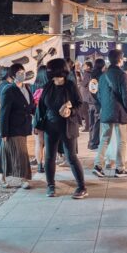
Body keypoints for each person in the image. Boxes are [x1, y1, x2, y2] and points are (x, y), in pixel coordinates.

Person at [34, 58, 88, 199]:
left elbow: (80, 104)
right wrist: (37, 125)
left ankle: (82, 187)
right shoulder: (48, 86)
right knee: (49, 156)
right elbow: (41, 107)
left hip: (68, 125)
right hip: (50, 126)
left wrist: (72, 111)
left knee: (71, 156)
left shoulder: (70, 85)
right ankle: (50, 185)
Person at [93, 49, 127, 178]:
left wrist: (104, 107)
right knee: (122, 140)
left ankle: (98, 165)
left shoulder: (103, 75)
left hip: (106, 111)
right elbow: (126, 95)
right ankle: (120, 168)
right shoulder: (122, 75)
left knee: (104, 139)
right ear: (120, 60)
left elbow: (98, 95)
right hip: (120, 111)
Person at [0, 64, 34, 189]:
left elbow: (30, 106)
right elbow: (4, 112)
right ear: (12, 75)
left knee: (13, 151)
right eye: (19, 72)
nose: (22, 74)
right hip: (12, 127)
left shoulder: (27, 88)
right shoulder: (9, 90)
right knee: (17, 152)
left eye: (23, 72)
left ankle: (5, 177)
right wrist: (3, 132)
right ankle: (22, 178)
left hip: (24, 126)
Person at [31, 65, 49, 173]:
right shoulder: (50, 86)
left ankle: (39, 166)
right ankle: (47, 165)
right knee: (47, 142)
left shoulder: (33, 86)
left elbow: (30, 103)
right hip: (48, 117)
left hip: (36, 117)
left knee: (38, 142)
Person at [87, 58, 105, 150]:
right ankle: (94, 143)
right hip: (97, 103)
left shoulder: (91, 75)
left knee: (91, 123)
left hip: (90, 102)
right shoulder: (101, 76)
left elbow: (91, 89)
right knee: (97, 123)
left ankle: (90, 142)